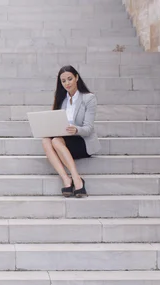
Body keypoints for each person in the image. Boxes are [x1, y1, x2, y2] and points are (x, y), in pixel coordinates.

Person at [42, 65, 101, 198]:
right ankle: (66, 179)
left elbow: (88, 129)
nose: (67, 83)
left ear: (77, 78)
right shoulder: (61, 99)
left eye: (70, 79)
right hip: (65, 138)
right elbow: (54, 120)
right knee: (46, 140)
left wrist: (75, 130)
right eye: (63, 81)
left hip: (82, 140)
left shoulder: (88, 98)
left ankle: (77, 178)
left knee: (56, 142)